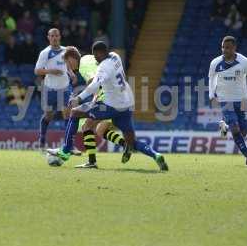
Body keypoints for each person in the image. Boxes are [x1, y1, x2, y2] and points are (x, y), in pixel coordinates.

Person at [47, 41, 169, 171]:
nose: (95, 58)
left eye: (96, 55)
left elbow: (94, 84)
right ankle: (156, 155)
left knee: (76, 114)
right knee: (129, 141)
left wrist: (79, 98)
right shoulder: (115, 56)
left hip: (109, 104)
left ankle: (67, 151)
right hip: (126, 104)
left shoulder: (93, 66)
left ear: (71, 59)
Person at [63, 46, 127, 169]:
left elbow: (95, 81)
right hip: (116, 96)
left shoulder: (83, 65)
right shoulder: (88, 58)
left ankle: (91, 162)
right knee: (99, 130)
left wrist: (83, 97)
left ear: (71, 59)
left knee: (86, 125)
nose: (68, 67)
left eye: (67, 63)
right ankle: (126, 144)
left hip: (108, 97)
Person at [208, 36, 247, 167]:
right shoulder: (215, 63)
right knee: (235, 129)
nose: (225, 50)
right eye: (223, 47)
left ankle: (224, 124)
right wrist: (211, 94)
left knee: (243, 132)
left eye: (228, 47)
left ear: (234, 48)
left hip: (242, 100)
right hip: (225, 99)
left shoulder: (244, 61)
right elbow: (211, 78)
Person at [34, 28, 80, 155]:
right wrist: (51, 71)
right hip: (50, 89)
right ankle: (42, 140)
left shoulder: (66, 51)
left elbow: (67, 66)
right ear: (48, 37)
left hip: (65, 87)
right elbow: (37, 71)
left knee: (68, 114)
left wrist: (71, 74)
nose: (54, 38)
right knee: (49, 115)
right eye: (52, 36)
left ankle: (69, 146)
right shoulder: (45, 53)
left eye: (56, 35)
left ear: (60, 37)